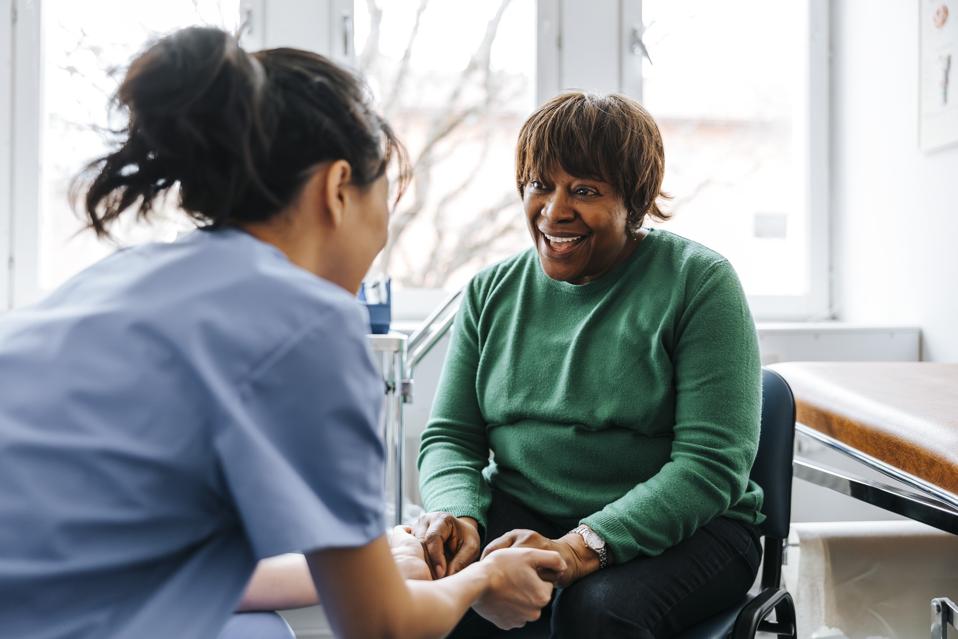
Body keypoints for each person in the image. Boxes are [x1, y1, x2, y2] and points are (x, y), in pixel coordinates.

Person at [0, 27, 565, 639]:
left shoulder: (118, 279)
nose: (382, 238)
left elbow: (138, 552)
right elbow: (382, 626)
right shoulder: (310, 321)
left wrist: (376, 555)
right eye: (386, 203)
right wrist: (483, 579)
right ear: (338, 188)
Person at [414, 92, 765, 638]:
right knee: (434, 584)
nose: (554, 211)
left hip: (690, 531)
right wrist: (459, 515)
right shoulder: (490, 291)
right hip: (526, 510)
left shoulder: (700, 283)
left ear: (636, 200)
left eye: (584, 190)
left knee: (595, 612)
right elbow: (451, 437)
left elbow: (710, 466)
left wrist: (579, 550)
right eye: (539, 185)